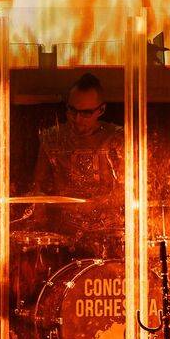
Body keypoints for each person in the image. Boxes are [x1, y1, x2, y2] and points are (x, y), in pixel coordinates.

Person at [32, 73, 123, 253]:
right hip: (63, 237)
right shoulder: (52, 138)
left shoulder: (117, 139)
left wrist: (98, 204)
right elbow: (38, 186)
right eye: (72, 110)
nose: (77, 119)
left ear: (101, 110)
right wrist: (39, 213)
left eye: (86, 113)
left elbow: (128, 189)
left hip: (109, 236)